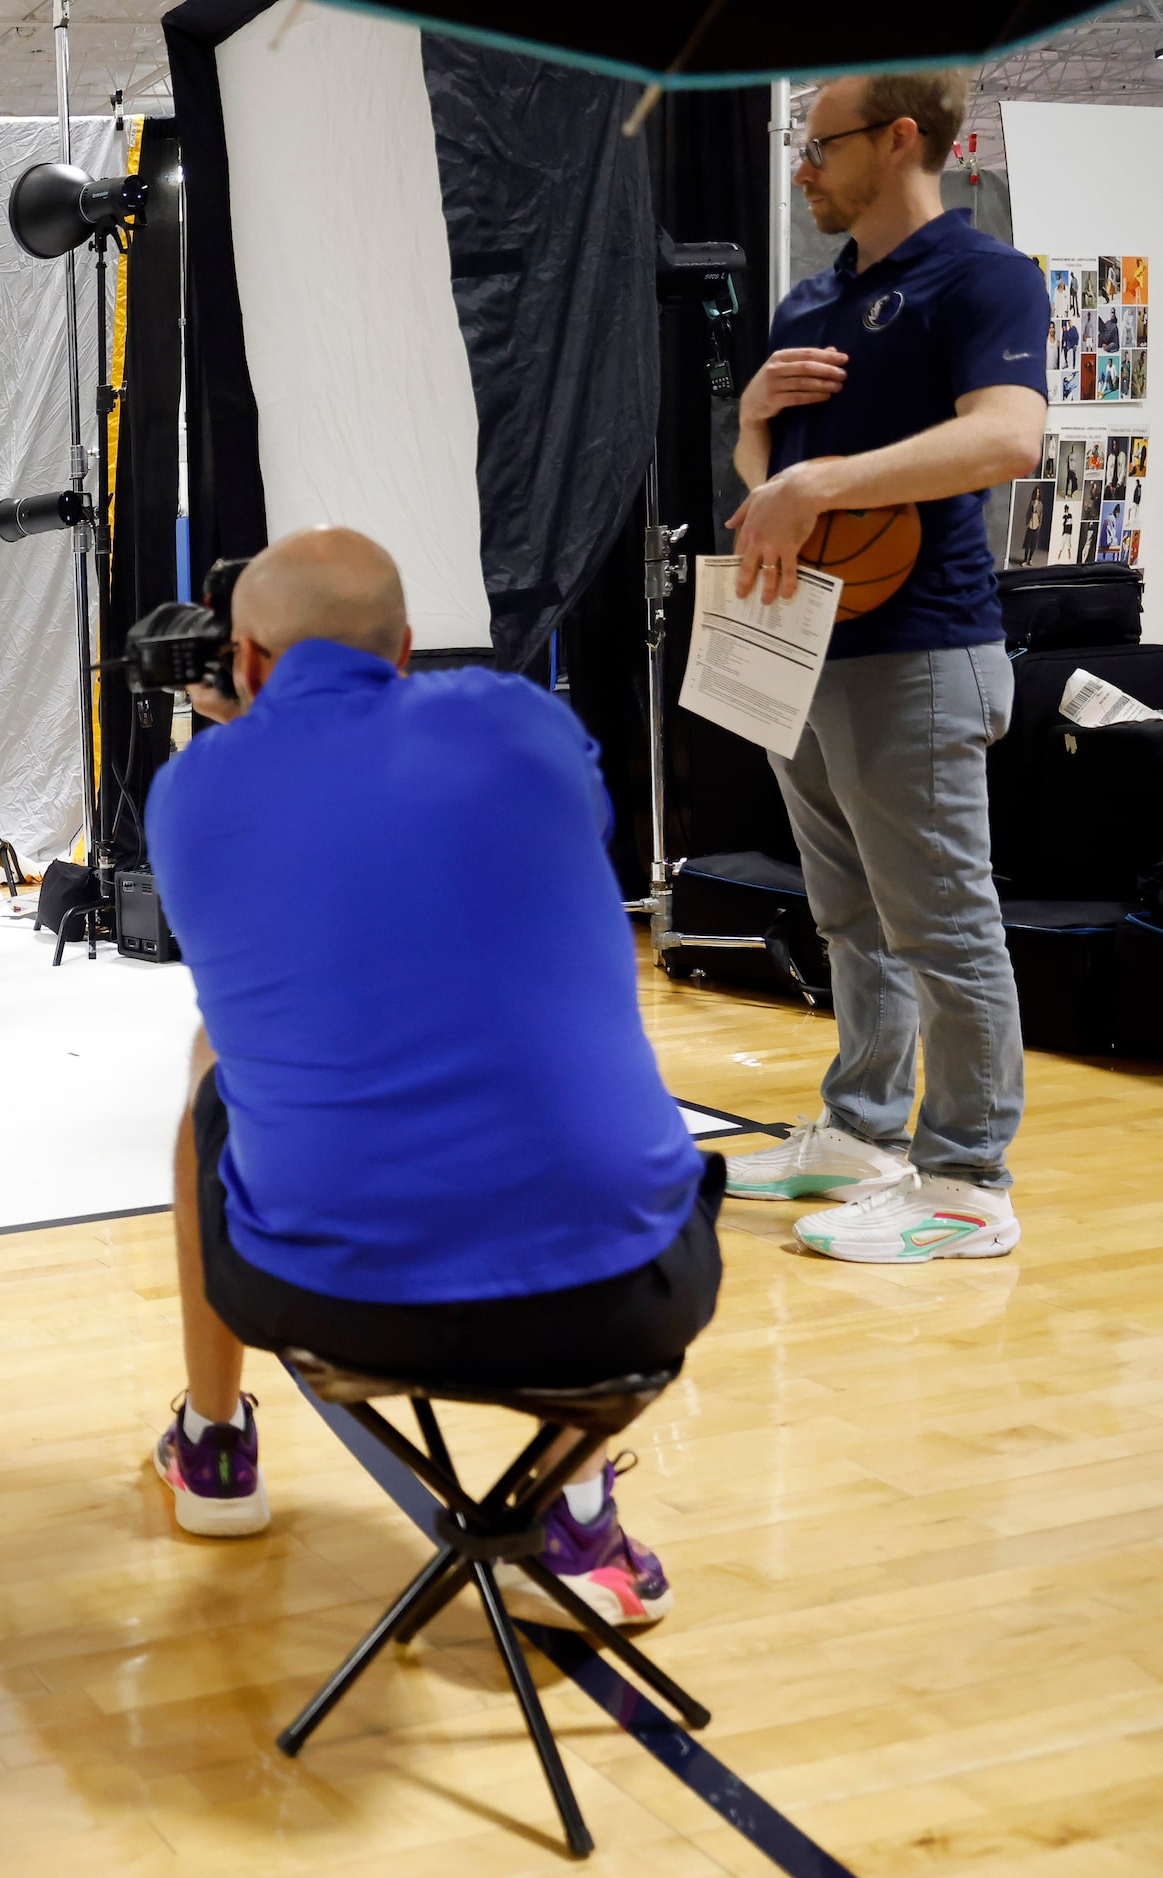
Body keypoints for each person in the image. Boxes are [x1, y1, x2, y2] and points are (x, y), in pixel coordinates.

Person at [147, 527, 721, 1629]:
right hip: (623, 1309)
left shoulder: (190, 792)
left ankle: (214, 1443)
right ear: (403, 648)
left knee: (210, 1063)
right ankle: (575, 1513)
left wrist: (241, 735)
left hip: (326, 1303)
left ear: (248, 661)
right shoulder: (521, 720)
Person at [722, 70, 1047, 1262]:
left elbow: (1010, 436)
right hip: (802, 642)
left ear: (902, 138)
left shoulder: (981, 277)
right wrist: (755, 430)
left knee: (943, 927)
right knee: (848, 912)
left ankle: (967, 1181)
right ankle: (861, 1134)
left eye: (821, 146)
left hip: (918, 650)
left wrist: (816, 482)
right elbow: (772, 503)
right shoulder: (810, 298)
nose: (800, 166)